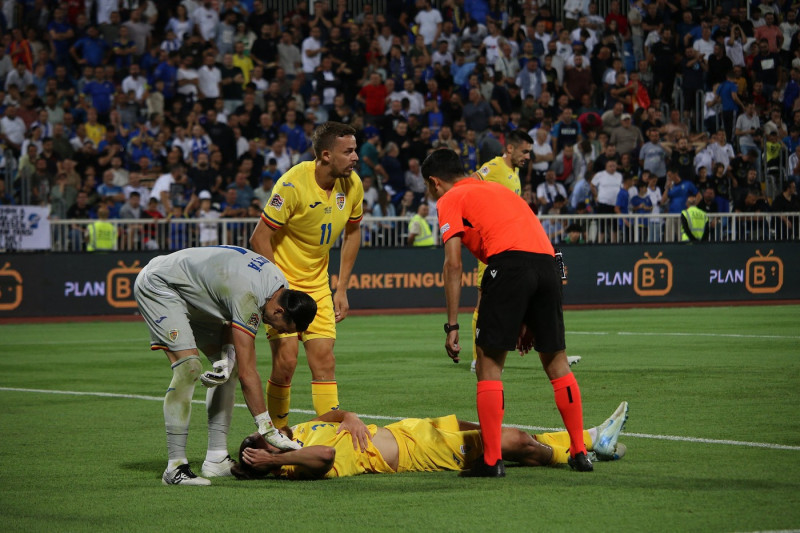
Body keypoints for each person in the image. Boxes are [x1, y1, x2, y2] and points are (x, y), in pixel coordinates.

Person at [421, 148, 593, 476]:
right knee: (556, 362)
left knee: (488, 362)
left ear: (434, 182)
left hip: (509, 264)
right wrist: (527, 318)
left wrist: (452, 325)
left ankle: (492, 461)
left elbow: (453, 264)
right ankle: (579, 451)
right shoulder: (499, 190)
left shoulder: (450, 198)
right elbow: (537, 248)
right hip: (547, 265)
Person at [134, 246, 317, 486]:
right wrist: (267, 429)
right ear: (280, 310)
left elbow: (232, 319)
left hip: (193, 292)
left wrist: (226, 361)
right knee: (189, 367)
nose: (279, 331)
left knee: (230, 371)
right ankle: (175, 468)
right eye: (283, 327)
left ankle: (216, 459)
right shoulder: (249, 295)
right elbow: (250, 372)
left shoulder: (278, 286)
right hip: (160, 284)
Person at [249, 122, 363, 429]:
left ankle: (327, 434)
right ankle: (276, 435)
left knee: (324, 360)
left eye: (355, 150)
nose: (355, 157)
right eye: (348, 151)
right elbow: (259, 238)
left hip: (318, 285)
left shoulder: (353, 185)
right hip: (283, 286)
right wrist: (277, 291)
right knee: (285, 363)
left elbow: (353, 233)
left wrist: (341, 289)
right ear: (326, 155)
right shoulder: (292, 185)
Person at [233, 402, 629, 480]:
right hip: (418, 452)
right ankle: (588, 445)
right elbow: (326, 456)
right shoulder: (294, 462)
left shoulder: (297, 431)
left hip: (413, 429)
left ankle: (588, 437)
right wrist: (268, 464)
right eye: (266, 439)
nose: (273, 431)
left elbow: (335, 415)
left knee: (495, 430)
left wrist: (350, 417)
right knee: (516, 441)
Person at [468, 130, 532, 372]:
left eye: (529, 152)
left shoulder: (514, 174)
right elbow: (469, 184)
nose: (527, 156)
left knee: (508, 300)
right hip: (491, 246)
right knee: (484, 302)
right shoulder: (494, 166)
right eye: (524, 151)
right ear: (511, 149)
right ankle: (477, 358)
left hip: (509, 246)